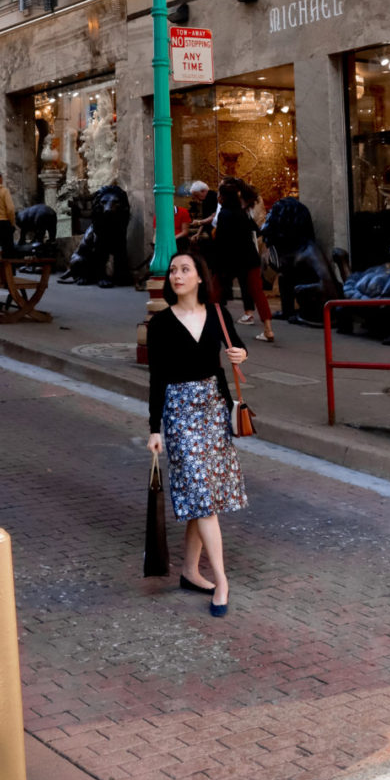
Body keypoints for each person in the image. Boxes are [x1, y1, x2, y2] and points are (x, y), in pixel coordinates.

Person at [147, 250, 248, 616]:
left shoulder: (218, 314)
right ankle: (221, 580)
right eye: (173, 270)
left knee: (201, 494)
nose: (177, 275)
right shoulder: (159, 325)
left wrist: (241, 355)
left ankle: (190, 571)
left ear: (200, 277)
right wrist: (154, 428)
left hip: (213, 409)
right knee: (202, 494)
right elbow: (156, 379)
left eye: (184, 269)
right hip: (178, 410)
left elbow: (237, 347)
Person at [213, 178, 275, 342]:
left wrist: (218, 262)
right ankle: (268, 329)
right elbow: (255, 229)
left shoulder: (225, 214)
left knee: (214, 291)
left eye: (220, 194)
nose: (218, 197)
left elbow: (222, 241)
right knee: (258, 292)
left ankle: (208, 325)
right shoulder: (242, 213)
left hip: (231, 260)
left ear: (223, 197)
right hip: (249, 258)